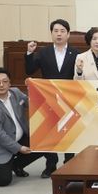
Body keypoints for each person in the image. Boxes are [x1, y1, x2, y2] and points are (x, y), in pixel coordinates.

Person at [24, 18, 78, 177]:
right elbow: (29, 71)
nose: (59, 34)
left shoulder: (76, 53)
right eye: (56, 31)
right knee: (49, 131)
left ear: (68, 34)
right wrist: (29, 53)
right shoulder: (44, 52)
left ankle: (70, 163)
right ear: (51, 34)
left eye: (62, 31)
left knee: (69, 131)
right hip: (48, 98)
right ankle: (51, 165)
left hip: (69, 99)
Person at [0, 68, 44, 187]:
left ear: (10, 83)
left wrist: (32, 88)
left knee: (45, 142)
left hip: (21, 137)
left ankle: (16, 165)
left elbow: (33, 103)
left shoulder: (15, 93)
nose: (1, 85)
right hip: (0, 145)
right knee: (3, 180)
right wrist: (19, 148)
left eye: (5, 81)